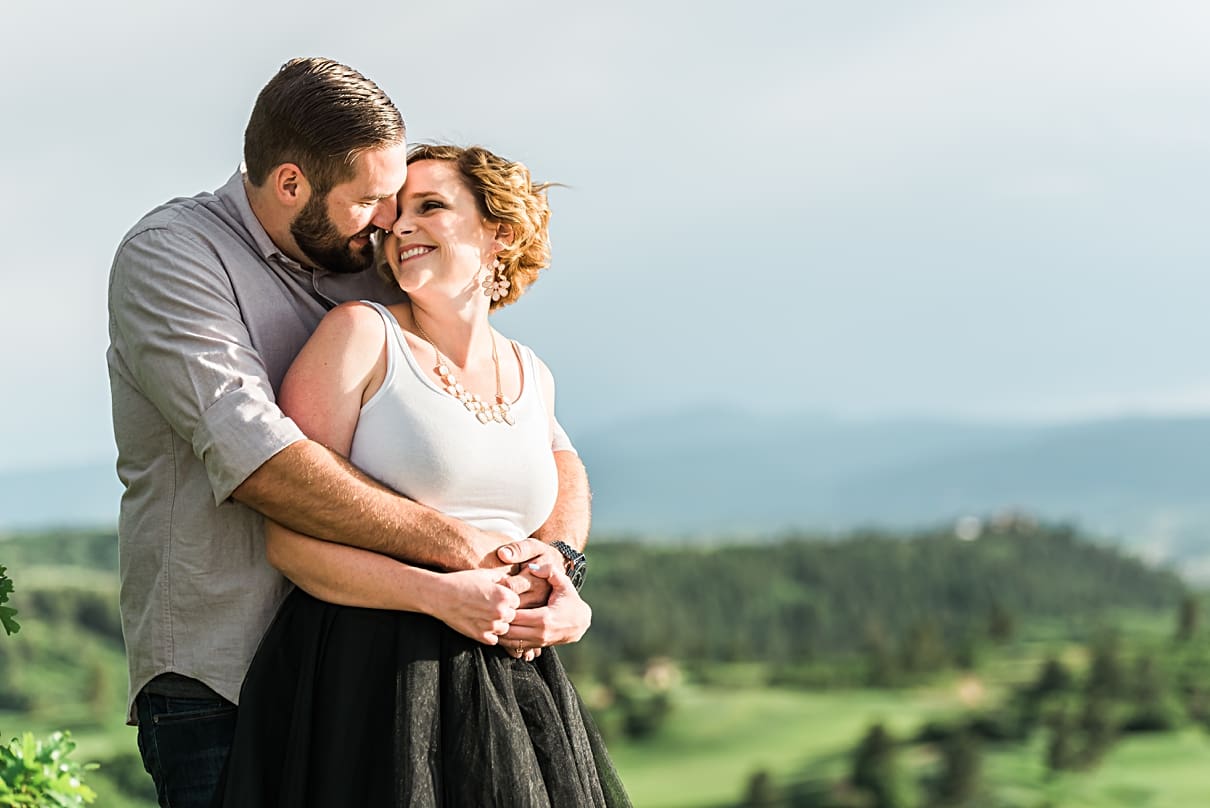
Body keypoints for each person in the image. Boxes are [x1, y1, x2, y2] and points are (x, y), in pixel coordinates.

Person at [107, 58, 590, 808]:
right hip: (224, 679)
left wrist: (557, 565)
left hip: (379, 678)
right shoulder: (175, 259)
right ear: (292, 183)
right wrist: (475, 554)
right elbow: (265, 463)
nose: (390, 223)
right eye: (372, 201)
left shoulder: (369, 263)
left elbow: (543, 447)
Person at [216, 144, 630, 807]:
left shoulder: (533, 374)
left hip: (510, 686)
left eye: (430, 207)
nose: (400, 226)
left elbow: (557, 512)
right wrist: (438, 596)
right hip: (371, 678)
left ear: (502, 231)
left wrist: (565, 596)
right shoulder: (359, 335)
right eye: (393, 215)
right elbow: (290, 543)